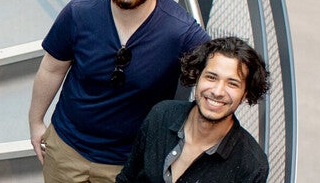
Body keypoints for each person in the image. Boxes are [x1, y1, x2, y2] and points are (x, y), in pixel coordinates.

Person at [28, 0, 211, 182]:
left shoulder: (178, 31)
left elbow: (219, 71)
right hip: (65, 149)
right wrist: (36, 122)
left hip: (127, 162)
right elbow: (52, 68)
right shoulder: (79, 13)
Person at [115, 37, 271, 183]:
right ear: (197, 76)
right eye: (211, 77)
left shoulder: (251, 165)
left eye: (232, 84)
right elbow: (127, 178)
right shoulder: (161, 115)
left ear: (245, 94)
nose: (217, 91)